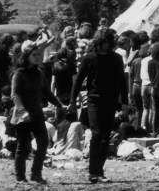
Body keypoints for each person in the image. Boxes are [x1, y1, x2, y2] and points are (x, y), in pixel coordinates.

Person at [69, 28, 127, 184]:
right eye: (103, 42)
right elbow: (79, 80)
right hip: (93, 100)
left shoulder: (116, 59)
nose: (106, 46)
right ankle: (92, 171)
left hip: (111, 100)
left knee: (105, 137)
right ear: (98, 42)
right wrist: (73, 101)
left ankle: (99, 171)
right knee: (96, 134)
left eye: (108, 42)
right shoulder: (89, 58)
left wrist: (125, 103)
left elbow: (122, 81)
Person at [11, 38, 64, 184]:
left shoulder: (40, 73)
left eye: (39, 55)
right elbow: (14, 94)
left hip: (37, 114)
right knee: (24, 147)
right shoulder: (19, 74)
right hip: (22, 117)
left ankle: (36, 174)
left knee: (43, 143)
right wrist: (23, 111)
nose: (38, 57)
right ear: (27, 56)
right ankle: (20, 177)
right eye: (34, 55)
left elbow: (47, 93)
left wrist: (60, 105)